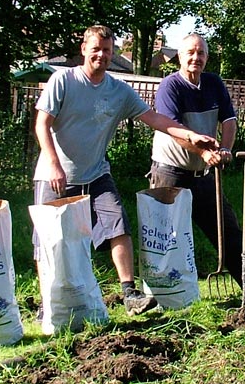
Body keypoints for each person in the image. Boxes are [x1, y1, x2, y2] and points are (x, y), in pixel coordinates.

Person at [32, 25, 218, 317]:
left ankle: (130, 293)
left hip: (96, 174)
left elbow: (155, 118)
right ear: (84, 49)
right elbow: (42, 124)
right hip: (56, 175)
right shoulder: (63, 80)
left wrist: (191, 136)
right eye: (96, 49)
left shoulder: (118, 90)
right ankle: (49, 301)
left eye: (107, 50)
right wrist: (53, 164)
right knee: (49, 240)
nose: (101, 55)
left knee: (118, 222)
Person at [147, 33, 245, 294]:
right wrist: (203, 153)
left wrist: (225, 149)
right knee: (166, 234)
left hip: (202, 174)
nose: (196, 58)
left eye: (201, 53)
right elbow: (173, 129)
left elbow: (229, 121)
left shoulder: (214, 83)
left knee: (226, 227)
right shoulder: (170, 86)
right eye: (190, 52)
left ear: (207, 58)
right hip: (170, 170)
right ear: (179, 57)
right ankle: (163, 293)